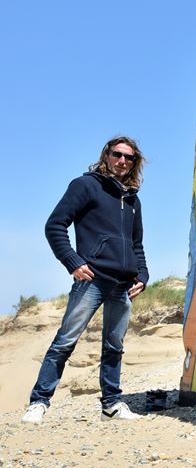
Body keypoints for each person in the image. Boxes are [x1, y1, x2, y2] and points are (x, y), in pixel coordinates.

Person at [22, 136, 150, 423]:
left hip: (123, 285)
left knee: (114, 346)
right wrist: (73, 262)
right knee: (65, 342)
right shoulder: (85, 185)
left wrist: (143, 274)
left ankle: (112, 404)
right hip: (92, 280)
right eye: (117, 154)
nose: (122, 161)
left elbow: (137, 244)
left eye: (129, 158)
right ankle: (39, 402)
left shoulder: (132, 199)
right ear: (106, 155)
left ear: (134, 163)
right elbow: (55, 225)